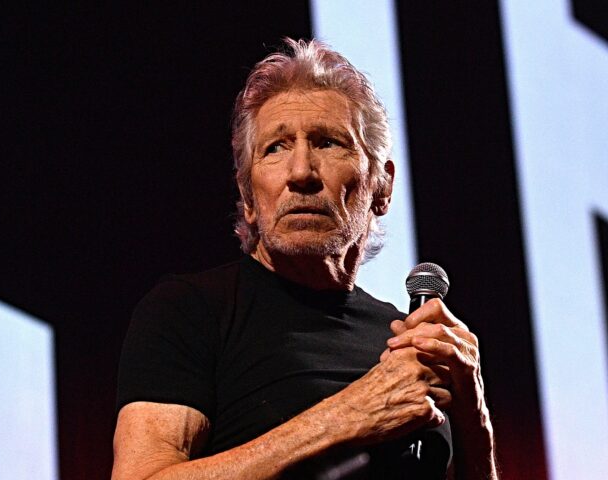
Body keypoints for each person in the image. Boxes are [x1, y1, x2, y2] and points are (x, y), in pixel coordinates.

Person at [112, 38, 498, 480]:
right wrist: (344, 417)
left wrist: (474, 413)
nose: (300, 173)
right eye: (275, 147)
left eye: (329, 143)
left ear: (382, 186)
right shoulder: (191, 311)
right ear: (247, 195)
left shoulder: (407, 340)